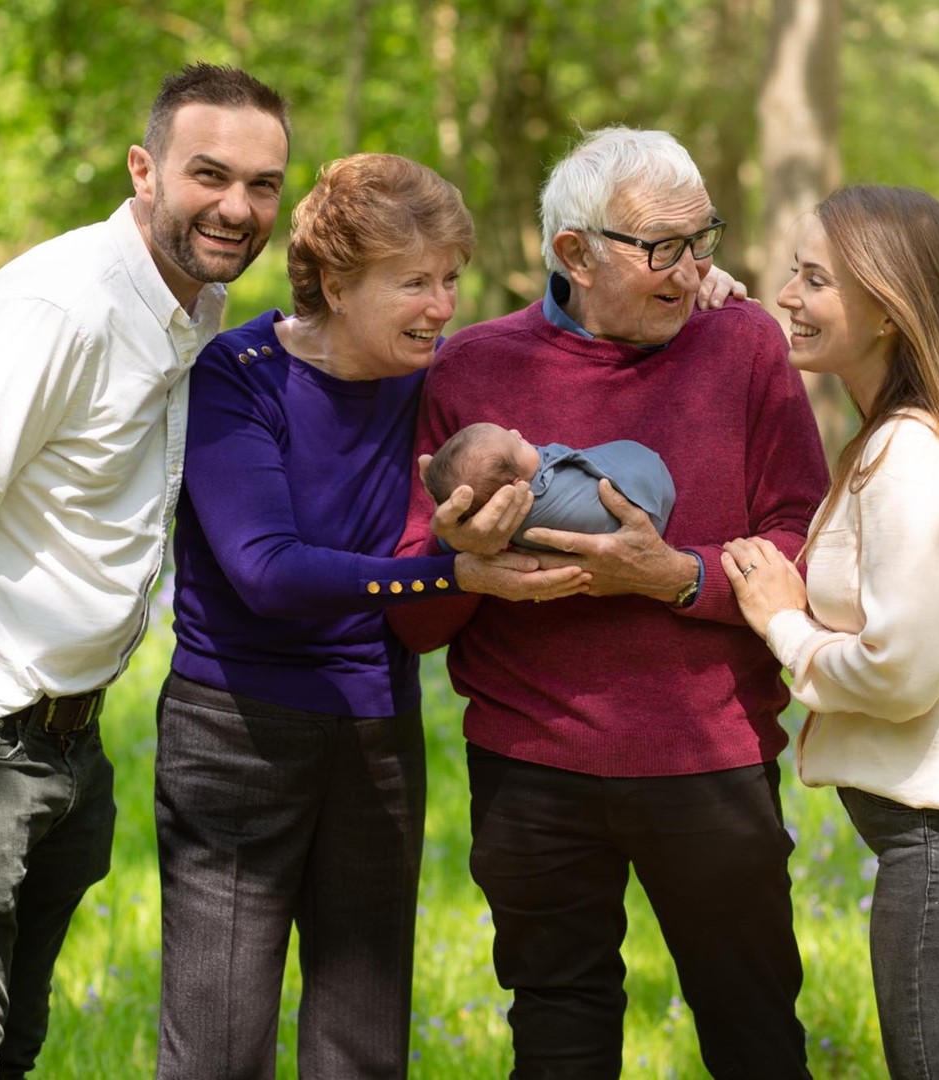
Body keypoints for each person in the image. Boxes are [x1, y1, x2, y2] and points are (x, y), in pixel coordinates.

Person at [390, 127, 829, 1079]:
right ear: (572, 254)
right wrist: (461, 561)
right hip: (530, 764)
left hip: (709, 755)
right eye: (660, 248)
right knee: (557, 1038)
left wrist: (674, 576)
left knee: (756, 1035)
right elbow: (416, 619)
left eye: (701, 241)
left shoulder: (743, 343)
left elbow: (804, 540)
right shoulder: (469, 370)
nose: (690, 271)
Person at [152, 153, 601, 1080]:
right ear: (336, 284)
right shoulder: (240, 374)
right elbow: (266, 573)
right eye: (413, 283)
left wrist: (705, 286)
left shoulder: (436, 383)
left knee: (363, 1046)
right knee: (218, 1044)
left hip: (375, 730)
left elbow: (570, 331)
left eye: (449, 280)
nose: (441, 306)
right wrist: (453, 579)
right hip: (235, 733)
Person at [0, 63, 290, 1079]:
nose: (238, 208)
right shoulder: (58, 306)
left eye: (263, 185)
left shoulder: (194, 305)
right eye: (211, 175)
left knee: (15, 1044)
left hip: (68, 743)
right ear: (144, 170)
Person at [721, 184, 939, 1080]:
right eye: (792, 273)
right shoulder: (928, 436)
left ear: (887, 308)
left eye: (815, 280)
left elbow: (902, 673)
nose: (788, 295)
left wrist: (784, 626)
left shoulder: (911, 455)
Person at [423, 421, 677, 546]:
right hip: (651, 491)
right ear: (517, 484)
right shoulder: (538, 488)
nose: (517, 433)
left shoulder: (507, 532)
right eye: (518, 444)